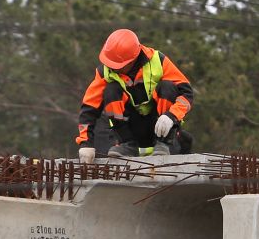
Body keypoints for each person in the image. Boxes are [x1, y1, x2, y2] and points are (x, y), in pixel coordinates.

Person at [75, 28, 195, 160]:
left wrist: (171, 116)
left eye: (117, 65)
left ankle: (163, 143)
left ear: (132, 60)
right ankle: (127, 145)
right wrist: (85, 143)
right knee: (111, 90)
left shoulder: (158, 61)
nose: (112, 68)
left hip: (160, 126)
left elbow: (186, 93)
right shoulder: (105, 72)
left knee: (167, 87)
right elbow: (89, 108)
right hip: (130, 128)